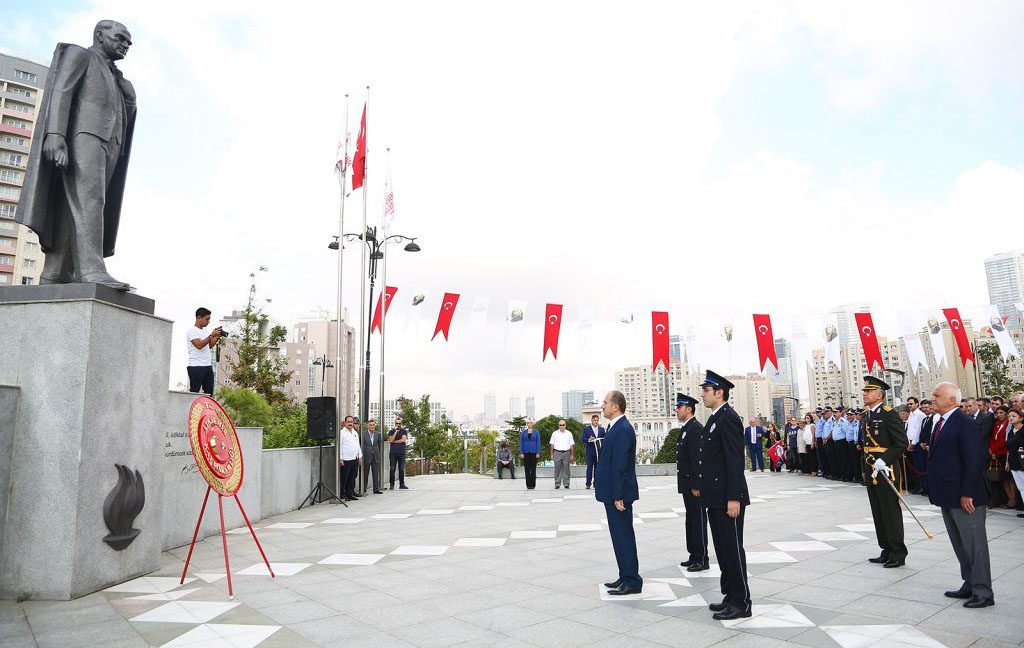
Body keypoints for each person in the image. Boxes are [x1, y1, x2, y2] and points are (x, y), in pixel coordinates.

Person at [18, 21, 137, 290]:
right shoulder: (81, 55)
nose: (125, 45)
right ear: (99, 35)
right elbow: (62, 91)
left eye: (129, 43)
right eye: (120, 38)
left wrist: (128, 96)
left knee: (76, 204)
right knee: (89, 200)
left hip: (110, 143)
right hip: (84, 137)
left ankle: (55, 272)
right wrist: (55, 135)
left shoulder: (117, 77)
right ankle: (92, 271)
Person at [927, 382, 994, 608]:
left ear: (952, 400)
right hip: (948, 495)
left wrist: (967, 493)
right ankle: (970, 583)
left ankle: (983, 591)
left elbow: (976, 460)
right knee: (960, 543)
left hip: (966, 496)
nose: (932, 399)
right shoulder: (942, 422)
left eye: (937, 395)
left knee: (974, 545)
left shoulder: (964, 423)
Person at [697, 370, 751, 620]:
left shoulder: (728, 418)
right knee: (722, 548)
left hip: (727, 498)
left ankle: (741, 602)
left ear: (719, 392)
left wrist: (734, 497)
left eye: (706, 390)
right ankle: (730, 595)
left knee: (732, 549)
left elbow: (734, 461)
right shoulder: (715, 418)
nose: (703, 394)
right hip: (715, 497)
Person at [596, 390, 642, 595]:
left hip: (619, 495)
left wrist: (618, 495)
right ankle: (625, 576)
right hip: (613, 493)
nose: (602, 406)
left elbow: (621, 466)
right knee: (619, 536)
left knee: (623, 536)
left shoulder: (623, 429)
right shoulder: (615, 427)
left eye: (605, 403)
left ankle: (632, 580)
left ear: (616, 406)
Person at [861, 376, 909, 568]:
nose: (864, 394)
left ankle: (898, 553)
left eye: (868, 391)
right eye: (864, 391)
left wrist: (884, 459)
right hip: (871, 468)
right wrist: (864, 470)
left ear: (879, 395)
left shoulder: (889, 414)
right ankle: (886, 549)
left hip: (886, 469)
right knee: (878, 511)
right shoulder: (866, 415)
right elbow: (865, 445)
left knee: (890, 511)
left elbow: (901, 443)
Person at [674, 393, 709, 572]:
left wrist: (697, 484)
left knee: (698, 520)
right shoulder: (687, 427)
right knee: (691, 520)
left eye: (679, 407)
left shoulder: (695, 428)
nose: (676, 410)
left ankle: (702, 558)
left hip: (693, 485)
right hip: (687, 483)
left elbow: (698, 459)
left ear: (689, 409)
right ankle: (694, 555)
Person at [186, 307, 221, 395]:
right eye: (207, 319)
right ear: (198, 318)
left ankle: (207, 409)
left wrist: (217, 336)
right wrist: (211, 336)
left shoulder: (205, 330)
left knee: (209, 393)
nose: (208, 321)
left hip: (207, 366)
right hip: (196, 366)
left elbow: (209, 345)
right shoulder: (192, 330)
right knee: (194, 393)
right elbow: (199, 345)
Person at [989, 406, 1014, 508]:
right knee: (1002, 478)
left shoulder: (1009, 424)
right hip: (996, 454)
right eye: (998, 413)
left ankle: (1013, 499)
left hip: (1004, 453)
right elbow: (993, 437)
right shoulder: (998, 424)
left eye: (1001, 412)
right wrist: (991, 449)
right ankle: (1009, 499)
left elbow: (1004, 440)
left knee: (1009, 479)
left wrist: (994, 450)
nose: (999, 415)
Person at [1004, 408, 1024, 517]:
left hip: (1022, 462)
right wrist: (1007, 462)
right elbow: (1009, 449)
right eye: (1009, 416)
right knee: (1021, 487)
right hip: (1013, 462)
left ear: (1021, 418)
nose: (1010, 418)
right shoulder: (1011, 431)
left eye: (1014, 416)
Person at [338, 416, 362, 501]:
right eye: (348, 421)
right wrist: (340, 459)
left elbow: (358, 445)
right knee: (345, 477)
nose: (350, 423)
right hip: (346, 459)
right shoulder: (341, 433)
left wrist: (360, 457)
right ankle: (342, 494)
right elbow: (339, 446)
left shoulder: (355, 432)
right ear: (345, 423)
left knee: (353, 476)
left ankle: (350, 493)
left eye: (352, 421)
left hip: (354, 458)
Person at [582, 414, 605, 489]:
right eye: (594, 420)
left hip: (598, 452)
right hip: (590, 452)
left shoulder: (601, 429)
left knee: (597, 468)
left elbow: (604, 439)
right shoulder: (587, 429)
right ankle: (588, 484)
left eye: (597, 420)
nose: (596, 422)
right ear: (591, 420)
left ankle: (596, 483)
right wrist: (589, 439)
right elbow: (583, 439)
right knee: (589, 468)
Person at [550, 420, 575, 489]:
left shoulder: (569, 433)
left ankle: (566, 483)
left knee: (566, 469)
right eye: (560, 425)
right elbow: (552, 444)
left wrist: (572, 455)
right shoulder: (554, 433)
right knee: (557, 469)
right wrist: (552, 454)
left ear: (565, 425)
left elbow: (571, 445)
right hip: (557, 452)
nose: (562, 426)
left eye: (563, 425)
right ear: (558, 426)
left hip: (566, 452)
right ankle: (557, 484)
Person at [361, 419, 383, 494]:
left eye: (373, 425)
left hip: (375, 456)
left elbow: (379, 445)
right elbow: (361, 446)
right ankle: (363, 488)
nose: (372, 426)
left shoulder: (378, 434)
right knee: (365, 473)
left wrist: (378, 454)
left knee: (375, 473)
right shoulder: (363, 434)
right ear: (368, 426)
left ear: (375, 426)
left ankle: (376, 489)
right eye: (370, 425)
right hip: (366, 456)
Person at [387, 416, 409, 490]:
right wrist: (396, 431)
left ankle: (402, 484)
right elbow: (390, 440)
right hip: (393, 453)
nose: (398, 425)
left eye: (399, 423)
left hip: (402, 453)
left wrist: (394, 441)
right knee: (392, 469)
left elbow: (403, 440)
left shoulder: (404, 431)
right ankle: (392, 484)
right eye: (397, 423)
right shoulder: (391, 431)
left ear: (401, 424)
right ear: (395, 423)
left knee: (401, 469)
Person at [520, 420, 541, 490]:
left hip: (534, 452)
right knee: (527, 469)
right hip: (526, 452)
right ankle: (528, 485)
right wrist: (521, 453)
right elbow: (521, 443)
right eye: (528, 423)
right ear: (527, 424)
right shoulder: (523, 433)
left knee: (533, 469)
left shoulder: (536, 432)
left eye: (531, 423)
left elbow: (538, 443)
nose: (529, 424)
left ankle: (533, 485)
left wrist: (538, 452)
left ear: (533, 424)